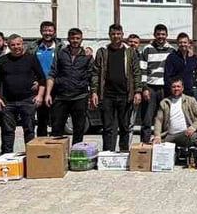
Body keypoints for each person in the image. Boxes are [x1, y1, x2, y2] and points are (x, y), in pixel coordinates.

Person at [91, 23, 142, 152]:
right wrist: (94, 92)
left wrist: (137, 91)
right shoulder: (102, 52)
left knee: (125, 126)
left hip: (125, 95)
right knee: (107, 127)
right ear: (109, 35)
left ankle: (124, 153)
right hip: (107, 95)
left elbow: (136, 72)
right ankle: (108, 153)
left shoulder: (130, 52)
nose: (116, 36)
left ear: (122, 35)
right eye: (113, 34)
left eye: (118, 34)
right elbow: (96, 73)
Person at [0, 34, 45, 155]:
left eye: (18, 44)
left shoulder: (31, 58)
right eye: (13, 45)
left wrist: (40, 96)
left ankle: (32, 157)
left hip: (28, 100)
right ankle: (7, 157)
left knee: (29, 130)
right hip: (7, 102)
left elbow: (42, 78)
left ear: (23, 44)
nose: (16, 47)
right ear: (8, 46)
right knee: (7, 132)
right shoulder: (3, 60)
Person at [46, 27, 93, 144]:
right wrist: (48, 94)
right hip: (61, 96)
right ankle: (57, 155)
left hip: (80, 97)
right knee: (56, 128)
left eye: (78, 38)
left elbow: (93, 76)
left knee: (79, 129)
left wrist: (93, 94)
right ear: (68, 39)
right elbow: (52, 73)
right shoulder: (60, 53)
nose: (75, 40)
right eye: (72, 38)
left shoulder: (87, 56)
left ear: (82, 40)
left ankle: (75, 154)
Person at [139, 24, 173, 143]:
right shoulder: (147, 49)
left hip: (165, 88)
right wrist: (144, 88)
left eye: (163, 34)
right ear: (154, 35)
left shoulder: (172, 50)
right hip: (150, 87)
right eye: (158, 34)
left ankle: (163, 144)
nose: (160, 37)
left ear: (166, 35)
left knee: (165, 117)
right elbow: (142, 69)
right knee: (147, 119)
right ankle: (145, 144)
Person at [153, 78, 197, 147]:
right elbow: (158, 120)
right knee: (155, 144)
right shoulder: (164, 102)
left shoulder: (190, 100)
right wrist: (157, 135)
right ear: (171, 88)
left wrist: (193, 127)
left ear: (182, 88)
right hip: (169, 135)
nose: (176, 89)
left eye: (178, 86)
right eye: (174, 87)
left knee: (194, 137)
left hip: (185, 134)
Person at [33, 21, 62, 137]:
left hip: (57, 89)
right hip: (39, 88)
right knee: (41, 121)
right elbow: (29, 67)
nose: (47, 33)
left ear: (54, 32)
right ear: (41, 32)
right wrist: (33, 80)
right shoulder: (34, 48)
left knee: (57, 120)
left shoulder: (61, 48)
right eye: (45, 30)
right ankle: (41, 147)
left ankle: (55, 149)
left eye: (50, 30)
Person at [163, 33, 197, 99]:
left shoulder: (193, 58)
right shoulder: (172, 57)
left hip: (189, 92)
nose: (182, 44)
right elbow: (167, 76)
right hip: (175, 93)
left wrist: (192, 80)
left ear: (189, 43)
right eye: (180, 42)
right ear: (177, 44)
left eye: (185, 42)